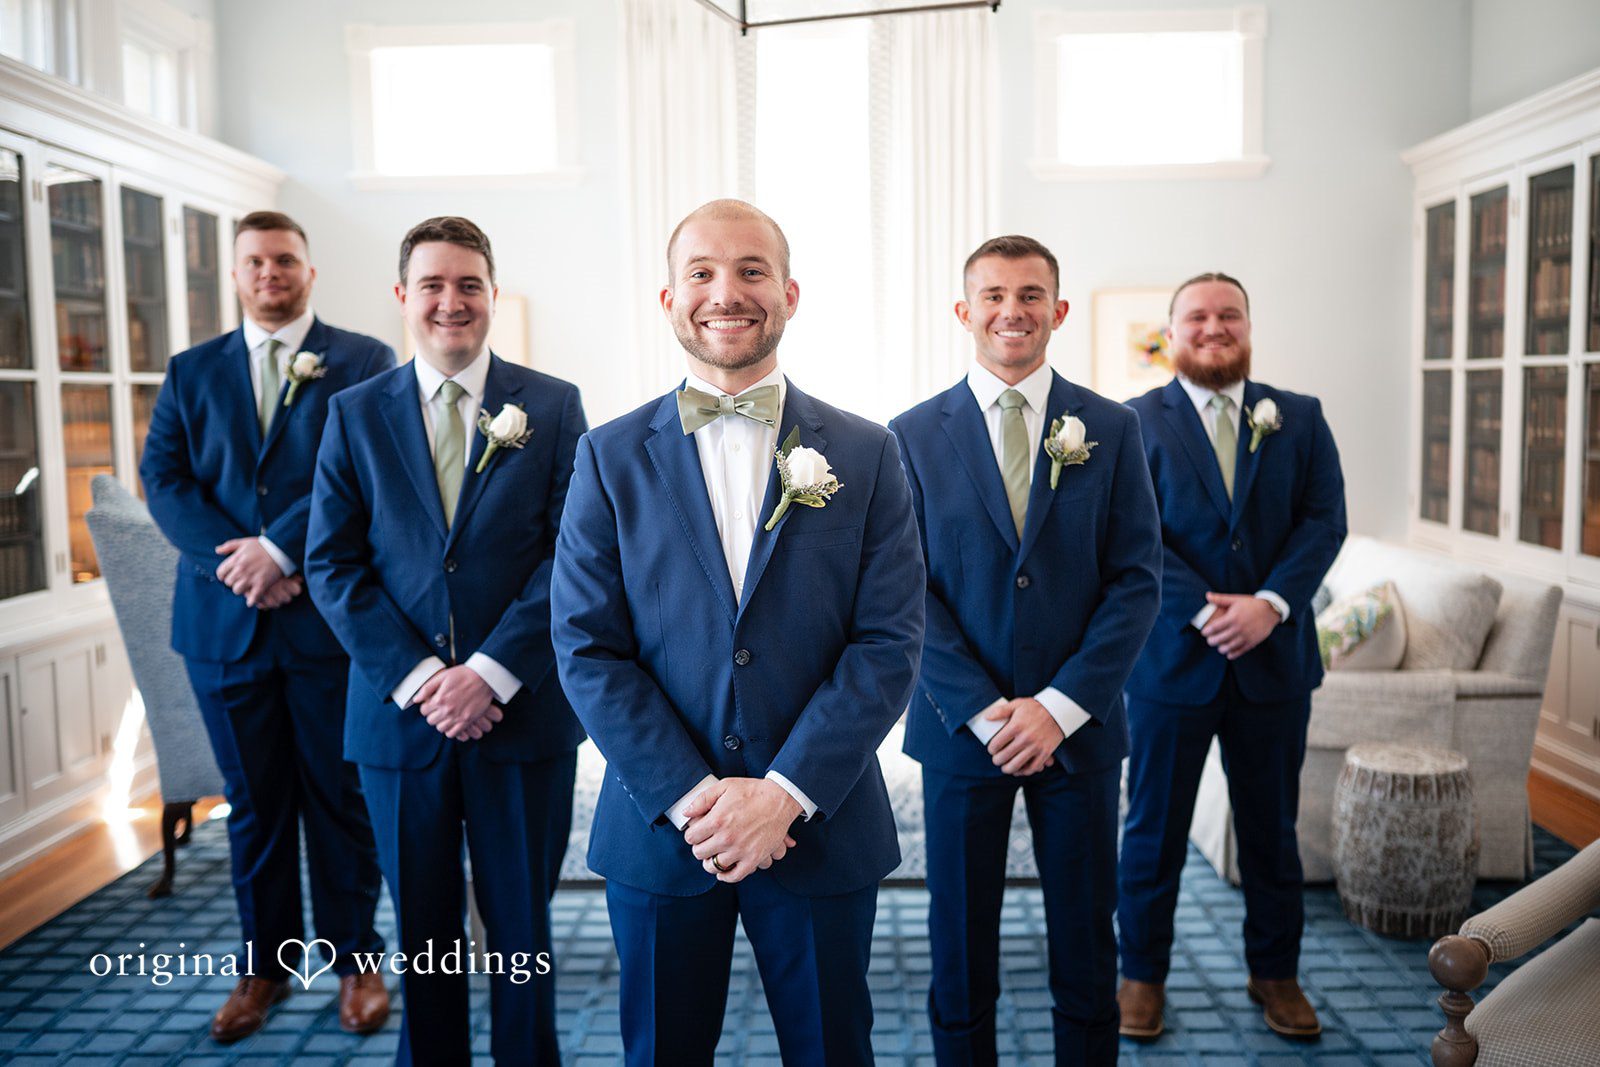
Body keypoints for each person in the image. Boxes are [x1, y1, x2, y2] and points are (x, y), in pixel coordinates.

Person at [550, 199, 925, 1065]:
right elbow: (585, 644)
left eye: (752, 270)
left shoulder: (868, 453)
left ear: (790, 293)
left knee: (835, 1050)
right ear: (668, 298)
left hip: (820, 821)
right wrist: (696, 800)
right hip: (660, 826)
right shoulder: (607, 455)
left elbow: (888, 640)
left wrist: (783, 793)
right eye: (703, 273)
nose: (729, 291)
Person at [305, 217, 586, 1065]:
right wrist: (428, 676)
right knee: (421, 921)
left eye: (469, 284)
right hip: (400, 720)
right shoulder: (353, 413)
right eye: (432, 284)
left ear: (492, 295)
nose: (450, 301)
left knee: (520, 921)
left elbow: (572, 558)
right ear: (402, 297)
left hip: (523, 714)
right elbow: (332, 563)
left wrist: (491, 673)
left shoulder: (554, 404)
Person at [888, 236, 1160, 1065]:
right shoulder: (906, 434)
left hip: (1078, 733)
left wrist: (1059, 707)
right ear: (965, 311)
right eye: (995, 295)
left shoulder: (1111, 427)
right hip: (959, 730)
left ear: (1058, 310)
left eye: (1032, 294)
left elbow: (1136, 581)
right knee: (960, 942)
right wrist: (980, 707)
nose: (1014, 310)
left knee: (1085, 937)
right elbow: (906, 588)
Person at [139, 211, 392, 1042]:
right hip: (223, 624)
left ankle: (358, 960)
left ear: (309, 272)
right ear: (237, 273)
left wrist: (281, 548)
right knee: (251, 806)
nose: (270, 273)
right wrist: (235, 563)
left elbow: (363, 472)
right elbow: (166, 481)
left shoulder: (362, 361)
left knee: (340, 798)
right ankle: (264, 968)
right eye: (255, 261)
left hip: (325, 622)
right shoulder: (190, 370)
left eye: (285, 259)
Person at [1118, 272, 1347, 1041]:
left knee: (1272, 831)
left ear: (1248, 325)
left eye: (1229, 315)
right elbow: (1131, 534)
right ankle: (1141, 976)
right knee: (1151, 829)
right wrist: (1204, 608)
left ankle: (1275, 974)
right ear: (1171, 331)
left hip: (1274, 662)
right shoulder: (1130, 423)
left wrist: (1270, 604)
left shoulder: (1300, 419)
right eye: (1197, 316)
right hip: (1166, 665)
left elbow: (1323, 521)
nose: (1213, 327)